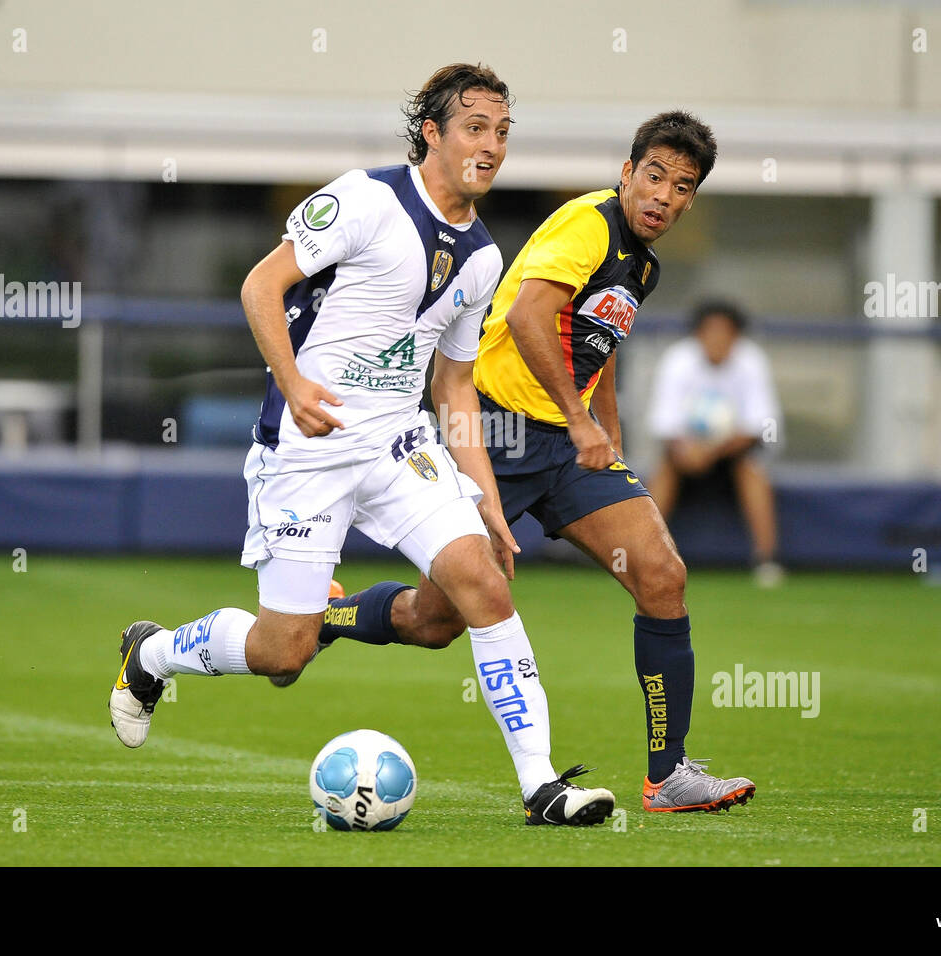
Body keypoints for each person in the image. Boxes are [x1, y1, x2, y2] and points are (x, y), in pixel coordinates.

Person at [108, 63, 615, 827]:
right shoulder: (365, 198)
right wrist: (294, 382)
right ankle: (151, 654)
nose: (491, 145)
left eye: (503, 132)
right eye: (475, 128)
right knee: (284, 654)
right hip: (307, 448)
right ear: (433, 133)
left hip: (397, 445)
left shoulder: (482, 259)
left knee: (479, 588)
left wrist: (485, 502)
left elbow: (453, 390)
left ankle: (543, 787)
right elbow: (259, 285)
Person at [314, 110, 756, 813]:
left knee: (663, 575)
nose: (663, 195)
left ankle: (667, 776)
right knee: (436, 623)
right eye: (654, 176)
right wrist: (582, 422)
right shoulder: (589, 225)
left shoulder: (642, 263)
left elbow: (596, 345)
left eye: (682, 185)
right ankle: (322, 621)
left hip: (567, 447)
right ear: (626, 173)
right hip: (495, 434)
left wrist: (604, 436)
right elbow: (527, 316)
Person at [646, 301, 784, 587]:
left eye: (726, 332)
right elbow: (665, 424)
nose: (718, 339)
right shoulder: (678, 359)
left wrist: (713, 450)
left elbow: (760, 425)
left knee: (754, 473)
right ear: (697, 334)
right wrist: (688, 450)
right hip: (686, 452)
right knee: (662, 473)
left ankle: (767, 560)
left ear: (737, 336)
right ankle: (641, 555)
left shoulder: (752, 361)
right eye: (711, 332)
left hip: (735, 452)